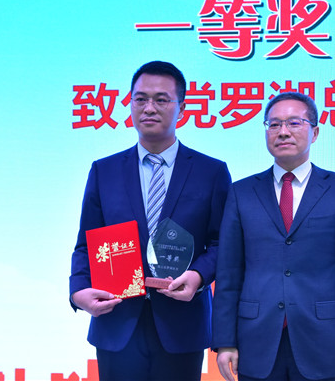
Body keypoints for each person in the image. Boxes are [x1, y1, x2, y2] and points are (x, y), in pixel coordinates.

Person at [69, 61, 231, 381]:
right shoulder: (104, 171)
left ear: (182, 108)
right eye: (140, 99)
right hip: (116, 320)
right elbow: (86, 244)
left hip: (181, 324)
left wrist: (198, 276)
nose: (149, 108)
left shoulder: (210, 172)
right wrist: (78, 291)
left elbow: (222, 242)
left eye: (161, 99)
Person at [212, 92, 335, 381]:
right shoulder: (241, 193)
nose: (283, 131)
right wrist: (225, 341)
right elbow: (229, 274)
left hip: (323, 340)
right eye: (274, 124)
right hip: (255, 339)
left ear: (315, 132)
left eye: (294, 123)